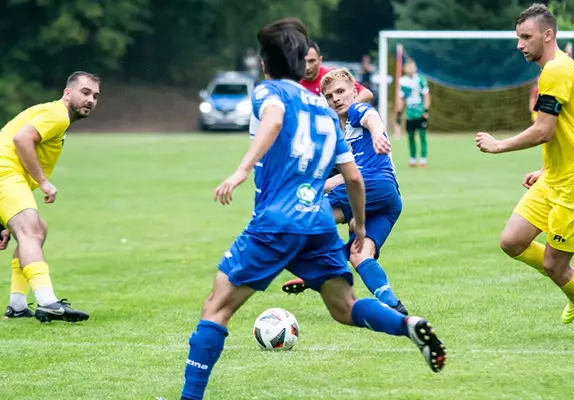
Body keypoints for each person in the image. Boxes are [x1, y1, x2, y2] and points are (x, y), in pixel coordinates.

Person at [180, 18, 446, 400]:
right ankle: (408, 325)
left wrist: (241, 170)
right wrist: (359, 228)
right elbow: (354, 179)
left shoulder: (270, 92)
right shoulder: (325, 113)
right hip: (318, 223)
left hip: (276, 221)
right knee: (345, 307)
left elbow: (274, 118)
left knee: (216, 308)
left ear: (265, 64)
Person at [475, 3, 574, 341]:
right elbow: (573, 128)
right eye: (518, 37)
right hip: (558, 175)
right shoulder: (560, 66)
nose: (520, 44)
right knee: (513, 241)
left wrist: (498, 145)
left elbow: (544, 130)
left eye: (526, 37)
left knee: (554, 266)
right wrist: (547, 169)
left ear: (547, 35)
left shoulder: (556, 70)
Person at [281, 68, 408, 315]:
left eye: (340, 92)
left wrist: (378, 134)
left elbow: (372, 117)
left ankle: (317, 271)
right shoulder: (340, 133)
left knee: (310, 218)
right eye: (329, 96)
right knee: (359, 254)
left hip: (372, 184)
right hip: (389, 199)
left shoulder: (356, 111)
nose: (336, 98)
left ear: (354, 92)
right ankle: (397, 309)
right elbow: (345, 174)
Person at [1, 71, 99, 323]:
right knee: (30, 230)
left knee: (36, 230)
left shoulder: (54, 114)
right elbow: (21, 138)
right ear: (67, 93)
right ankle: (47, 302)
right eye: (85, 92)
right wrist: (43, 182)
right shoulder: (58, 115)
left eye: (95, 96)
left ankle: (17, 305)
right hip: (5, 172)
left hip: (9, 175)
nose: (90, 100)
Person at [300, 40, 374, 104]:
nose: (307, 67)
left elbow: (366, 94)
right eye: (303, 61)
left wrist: (350, 109)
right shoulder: (294, 81)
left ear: (320, 60)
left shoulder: (333, 75)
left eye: (311, 61)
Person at [397, 59, 430, 167]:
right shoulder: (402, 81)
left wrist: (426, 110)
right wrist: (399, 113)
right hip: (409, 114)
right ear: (405, 69)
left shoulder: (420, 79)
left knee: (422, 136)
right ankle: (412, 159)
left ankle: (423, 159)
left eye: (413, 67)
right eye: (409, 67)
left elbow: (426, 96)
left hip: (420, 113)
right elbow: (401, 98)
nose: (411, 69)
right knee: (411, 137)